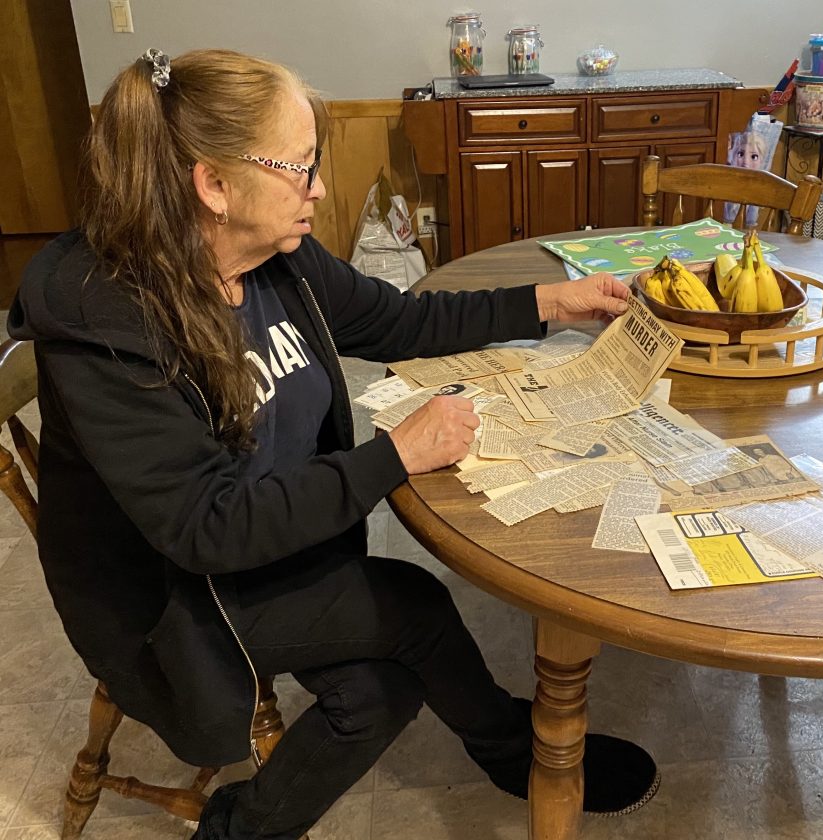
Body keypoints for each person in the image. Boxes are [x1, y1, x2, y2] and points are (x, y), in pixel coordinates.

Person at [8, 48, 659, 840]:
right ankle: (510, 751)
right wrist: (394, 455)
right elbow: (205, 527)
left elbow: (398, 322)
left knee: (381, 687)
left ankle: (248, 827)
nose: (318, 188)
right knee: (413, 609)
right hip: (171, 595)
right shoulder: (109, 325)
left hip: (266, 538)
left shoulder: (273, 255)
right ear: (214, 186)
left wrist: (550, 302)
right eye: (300, 167)